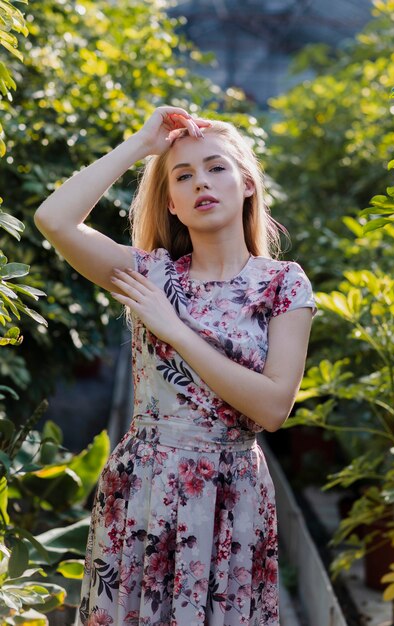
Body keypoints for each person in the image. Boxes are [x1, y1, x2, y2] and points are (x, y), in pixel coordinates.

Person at [34, 106, 316, 626]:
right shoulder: (148, 273)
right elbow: (54, 219)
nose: (200, 183)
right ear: (172, 202)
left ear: (247, 183)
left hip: (232, 494)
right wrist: (142, 145)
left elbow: (274, 408)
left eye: (216, 168)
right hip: (144, 486)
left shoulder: (284, 283)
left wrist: (177, 331)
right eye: (183, 176)